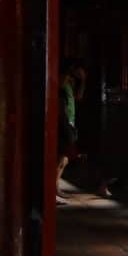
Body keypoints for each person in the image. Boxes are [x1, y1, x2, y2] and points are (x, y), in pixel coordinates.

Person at [56, 59, 86, 204]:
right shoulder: (62, 79)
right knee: (63, 157)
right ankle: (54, 188)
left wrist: (83, 81)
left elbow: (78, 97)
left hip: (70, 121)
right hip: (64, 121)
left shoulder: (70, 83)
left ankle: (55, 187)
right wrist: (67, 75)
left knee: (64, 158)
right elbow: (59, 86)